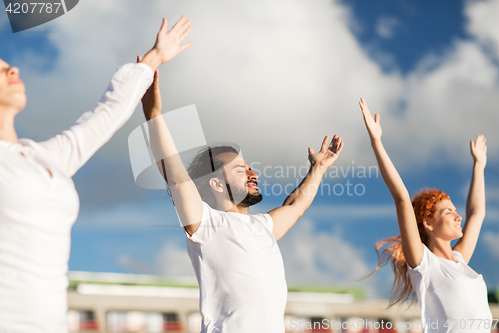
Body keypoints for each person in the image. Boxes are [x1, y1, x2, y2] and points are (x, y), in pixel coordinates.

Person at [0, 16, 192, 333]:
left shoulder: (45, 156)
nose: (13, 70)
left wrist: (155, 56)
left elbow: (107, 112)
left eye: (9, 65)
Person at [140, 70, 344, 333]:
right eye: (240, 169)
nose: (253, 173)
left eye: (250, 167)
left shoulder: (263, 227)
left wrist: (318, 169)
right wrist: (153, 116)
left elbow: (295, 206)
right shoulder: (206, 223)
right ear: (215, 183)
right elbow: (177, 178)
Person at [359, 97, 492, 333]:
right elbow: (402, 198)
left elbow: (477, 213)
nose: (457, 216)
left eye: (455, 211)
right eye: (448, 212)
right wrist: (376, 142)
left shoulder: (460, 260)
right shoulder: (425, 265)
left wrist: (478, 167)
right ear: (428, 223)